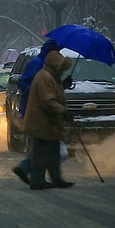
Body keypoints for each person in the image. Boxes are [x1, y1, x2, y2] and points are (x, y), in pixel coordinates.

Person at [12, 40, 64, 185]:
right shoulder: (37, 64)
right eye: (56, 52)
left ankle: (40, 175)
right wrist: (35, 92)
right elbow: (23, 82)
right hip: (35, 109)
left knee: (46, 145)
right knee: (42, 145)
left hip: (44, 111)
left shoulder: (51, 68)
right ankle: (36, 176)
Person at [23, 50, 74, 190]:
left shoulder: (50, 76)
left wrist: (63, 85)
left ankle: (55, 179)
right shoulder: (45, 77)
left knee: (51, 153)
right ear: (55, 66)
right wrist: (63, 111)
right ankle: (38, 180)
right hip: (41, 123)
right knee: (42, 154)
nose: (63, 71)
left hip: (47, 123)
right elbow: (48, 101)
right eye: (62, 68)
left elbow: (52, 93)